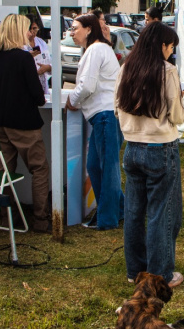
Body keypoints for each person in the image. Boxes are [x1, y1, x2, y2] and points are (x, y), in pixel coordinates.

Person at [115, 22, 184, 288]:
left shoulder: (126, 68)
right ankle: (159, 275)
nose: (171, 52)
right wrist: (179, 99)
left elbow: (117, 107)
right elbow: (177, 116)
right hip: (160, 148)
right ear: (162, 45)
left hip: (132, 147)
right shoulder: (167, 71)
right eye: (171, 47)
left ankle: (135, 270)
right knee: (161, 212)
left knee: (134, 211)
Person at [0, 14, 51, 233]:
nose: (29, 34)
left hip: (0, 124)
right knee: (40, 169)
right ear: (17, 31)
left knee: (5, 172)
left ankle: (6, 217)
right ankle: (41, 219)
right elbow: (38, 96)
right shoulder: (23, 59)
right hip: (24, 125)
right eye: (26, 29)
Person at [66, 14, 125, 230]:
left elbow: (87, 85)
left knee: (107, 168)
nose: (72, 33)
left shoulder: (96, 49)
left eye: (75, 28)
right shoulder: (98, 49)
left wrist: (72, 100)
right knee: (96, 166)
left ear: (89, 29)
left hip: (105, 115)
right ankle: (119, 210)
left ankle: (107, 219)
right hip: (103, 115)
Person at [25, 15, 52, 95]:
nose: (32, 32)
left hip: (42, 83)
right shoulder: (20, 44)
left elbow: (50, 60)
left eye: (34, 28)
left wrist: (48, 67)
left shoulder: (41, 42)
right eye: (29, 29)